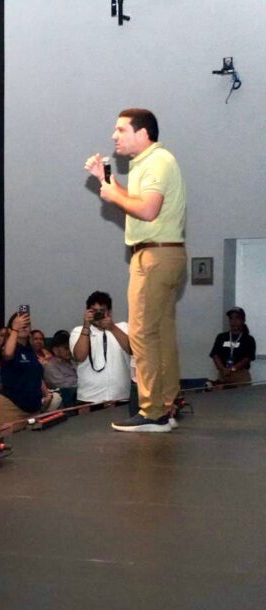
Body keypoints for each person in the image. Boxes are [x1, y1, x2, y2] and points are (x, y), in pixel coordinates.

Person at [86, 108, 186, 432]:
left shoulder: (156, 161)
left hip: (154, 256)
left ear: (142, 133)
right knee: (161, 332)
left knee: (142, 333)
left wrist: (113, 195)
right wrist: (107, 183)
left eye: (121, 130)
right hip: (164, 254)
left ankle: (152, 411)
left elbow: (148, 209)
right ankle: (167, 404)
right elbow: (138, 200)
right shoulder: (148, 162)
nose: (114, 136)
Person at [0, 311, 62, 426]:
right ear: (10, 330)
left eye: (27, 324)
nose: (24, 326)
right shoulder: (7, 348)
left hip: (33, 408)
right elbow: (8, 354)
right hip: (11, 407)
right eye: (19, 323)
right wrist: (15, 329)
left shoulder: (29, 350)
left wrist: (46, 394)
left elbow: (35, 375)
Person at [70, 291, 132, 404]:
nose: (98, 315)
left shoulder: (123, 328)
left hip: (120, 396)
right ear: (87, 312)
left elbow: (132, 349)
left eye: (102, 311)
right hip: (89, 397)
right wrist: (86, 326)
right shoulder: (78, 331)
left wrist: (112, 327)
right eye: (94, 311)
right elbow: (79, 356)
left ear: (110, 312)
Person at [210, 306, 256, 386]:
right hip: (223, 374)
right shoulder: (221, 337)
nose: (234, 321)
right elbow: (215, 355)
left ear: (243, 320)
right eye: (231, 318)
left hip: (240, 375)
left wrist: (232, 369)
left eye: (237, 318)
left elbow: (247, 359)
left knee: (241, 393)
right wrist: (223, 369)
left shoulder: (248, 339)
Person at [44, 332, 78, 407]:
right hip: (65, 399)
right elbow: (63, 386)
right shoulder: (50, 366)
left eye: (70, 347)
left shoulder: (72, 362)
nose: (69, 351)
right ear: (55, 350)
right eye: (66, 348)